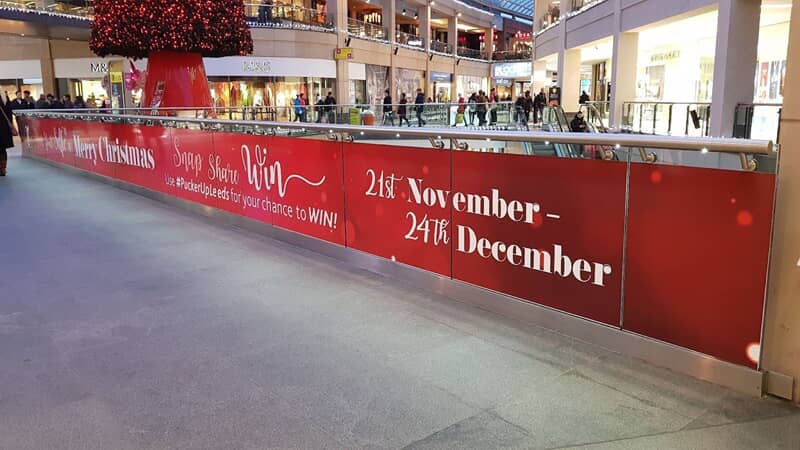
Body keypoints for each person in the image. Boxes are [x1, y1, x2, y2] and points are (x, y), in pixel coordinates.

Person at [0, 93, 15, 176]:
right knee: (2, 149)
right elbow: (9, 112)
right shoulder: (4, 96)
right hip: (4, 128)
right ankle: (3, 169)